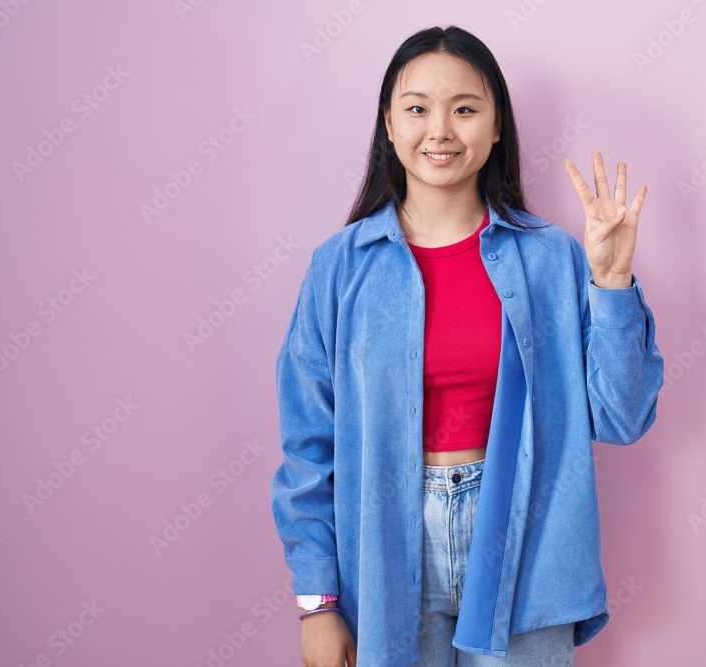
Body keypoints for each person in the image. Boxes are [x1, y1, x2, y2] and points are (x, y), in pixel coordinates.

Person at [271, 24, 664, 667]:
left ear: (497, 123)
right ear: (388, 123)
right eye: (417, 109)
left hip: (529, 541)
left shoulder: (551, 258)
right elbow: (307, 444)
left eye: (464, 109)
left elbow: (622, 418)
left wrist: (613, 282)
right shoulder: (340, 268)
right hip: (385, 543)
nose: (440, 131)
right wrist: (318, 603)